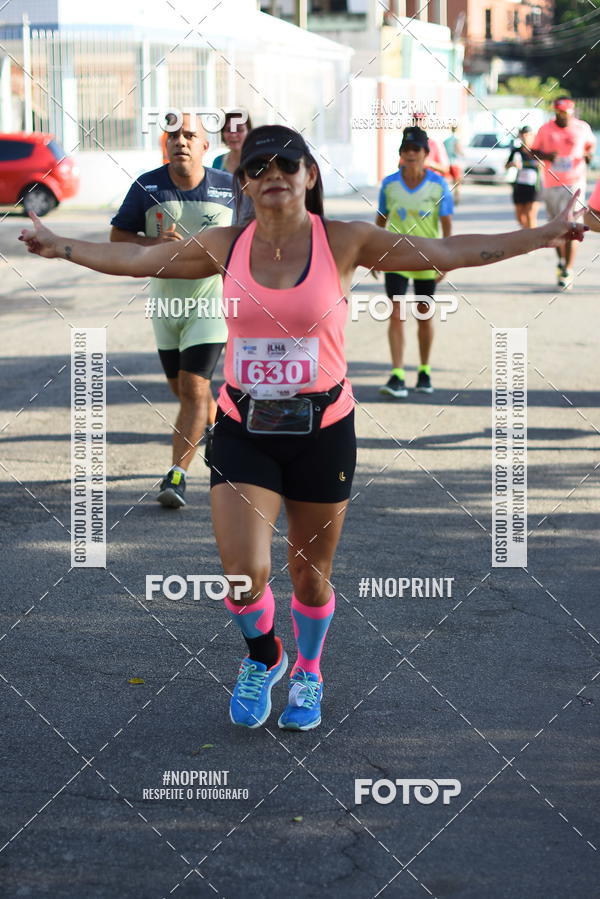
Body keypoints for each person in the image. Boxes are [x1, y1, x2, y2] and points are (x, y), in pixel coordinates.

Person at [19, 125, 587, 732]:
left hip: (324, 431)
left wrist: (548, 233)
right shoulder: (223, 245)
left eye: (287, 164)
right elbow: (138, 259)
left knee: (308, 578)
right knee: (243, 573)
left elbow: (447, 253)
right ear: (244, 182)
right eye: (259, 166)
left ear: (309, 176)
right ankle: (266, 657)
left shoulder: (343, 241)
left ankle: (309, 670)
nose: (274, 174)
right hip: (244, 427)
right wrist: (61, 246)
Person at [110, 113, 236, 508]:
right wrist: (154, 245)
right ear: (165, 145)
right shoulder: (147, 186)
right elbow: (118, 238)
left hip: (210, 305)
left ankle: (176, 475)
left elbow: (252, 239)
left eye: (190, 136)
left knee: (195, 388)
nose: (181, 141)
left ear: (204, 147)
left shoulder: (230, 189)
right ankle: (218, 429)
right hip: (166, 306)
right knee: (183, 393)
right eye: (174, 136)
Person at [376, 126, 454, 397]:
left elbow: (446, 225)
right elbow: (380, 221)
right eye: (406, 150)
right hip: (396, 257)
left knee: (424, 316)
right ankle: (397, 374)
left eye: (416, 150)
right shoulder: (389, 184)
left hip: (427, 259)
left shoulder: (438, 185)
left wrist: (446, 259)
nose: (411, 155)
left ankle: (424, 370)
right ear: (400, 154)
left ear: (425, 153)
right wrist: (376, 253)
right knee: (396, 316)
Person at [532, 97, 595, 289]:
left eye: (566, 112)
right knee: (556, 227)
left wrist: (587, 155)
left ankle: (568, 268)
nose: (563, 115)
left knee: (572, 226)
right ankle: (561, 261)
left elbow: (590, 147)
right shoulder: (545, 129)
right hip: (551, 182)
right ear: (555, 111)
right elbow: (533, 151)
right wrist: (546, 156)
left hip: (575, 182)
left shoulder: (582, 127)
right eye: (559, 112)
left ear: (571, 111)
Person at [505, 126, 540, 229]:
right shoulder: (516, 151)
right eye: (523, 135)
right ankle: (526, 236)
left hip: (534, 187)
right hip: (519, 187)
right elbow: (506, 165)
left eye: (528, 135)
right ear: (520, 136)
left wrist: (541, 164)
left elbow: (547, 164)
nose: (526, 137)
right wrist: (512, 164)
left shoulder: (537, 152)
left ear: (533, 136)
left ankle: (532, 241)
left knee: (531, 216)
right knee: (520, 218)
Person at [444, 124, 464, 205]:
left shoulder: (446, 140)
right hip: (455, 163)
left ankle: (446, 199)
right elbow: (458, 151)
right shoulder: (457, 140)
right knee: (457, 183)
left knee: (447, 183)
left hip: (447, 163)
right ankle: (456, 199)